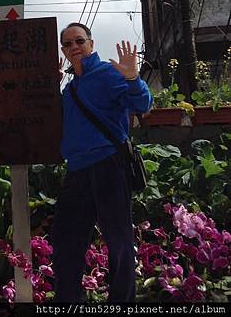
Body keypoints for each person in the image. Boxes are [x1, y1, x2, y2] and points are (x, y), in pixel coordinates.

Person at [52, 23, 152, 302]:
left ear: (91, 43)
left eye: (79, 41)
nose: (74, 47)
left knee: (118, 240)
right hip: (76, 171)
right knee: (65, 239)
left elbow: (143, 105)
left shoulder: (109, 74)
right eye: (68, 44)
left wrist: (133, 79)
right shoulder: (70, 90)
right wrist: (54, 82)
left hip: (109, 165)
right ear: (63, 50)